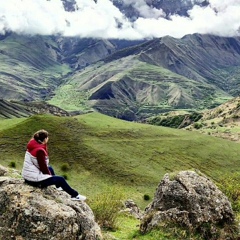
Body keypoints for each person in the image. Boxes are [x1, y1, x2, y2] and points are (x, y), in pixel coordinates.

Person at [22, 129, 86, 201]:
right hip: (33, 180)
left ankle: (58, 186)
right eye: (47, 137)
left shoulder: (33, 145)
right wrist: (49, 176)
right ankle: (75, 195)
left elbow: (39, 164)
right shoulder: (39, 151)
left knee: (50, 168)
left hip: (28, 176)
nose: (48, 138)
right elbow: (43, 167)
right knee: (60, 179)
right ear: (45, 139)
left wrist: (44, 144)